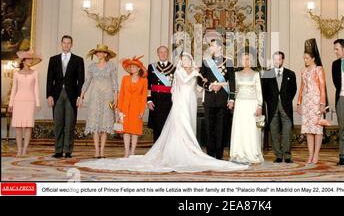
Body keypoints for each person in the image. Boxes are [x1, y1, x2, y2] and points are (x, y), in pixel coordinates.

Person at [75, 53, 248, 172]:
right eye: (185, 60)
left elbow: (197, 83)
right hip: (180, 103)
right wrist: (194, 72)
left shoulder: (192, 70)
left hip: (190, 101)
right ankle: (181, 150)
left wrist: (203, 79)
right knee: (182, 125)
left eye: (188, 60)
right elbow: (185, 80)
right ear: (182, 61)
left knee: (190, 125)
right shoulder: (179, 70)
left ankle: (191, 148)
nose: (187, 62)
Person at [46, 35, 85, 158]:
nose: (66, 45)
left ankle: (68, 150)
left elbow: (81, 80)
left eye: (69, 43)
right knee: (58, 123)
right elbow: (49, 79)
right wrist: (49, 95)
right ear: (61, 44)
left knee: (70, 123)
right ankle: (58, 150)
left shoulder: (78, 60)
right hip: (57, 95)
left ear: (71, 44)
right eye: (64, 43)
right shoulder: (53, 59)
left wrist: (80, 97)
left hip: (72, 95)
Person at [197, 39, 236, 160]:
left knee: (221, 128)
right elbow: (199, 79)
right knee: (209, 127)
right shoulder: (206, 62)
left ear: (220, 47)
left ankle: (219, 155)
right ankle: (210, 155)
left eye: (212, 45)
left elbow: (232, 81)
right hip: (209, 98)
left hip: (223, 98)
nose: (211, 48)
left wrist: (232, 99)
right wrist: (209, 86)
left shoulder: (228, 61)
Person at [78, 44, 118, 158]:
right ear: (96, 54)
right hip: (94, 97)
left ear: (106, 54)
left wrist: (116, 98)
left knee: (105, 124)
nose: (99, 54)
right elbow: (87, 82)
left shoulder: (111, 66)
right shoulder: (92, 67)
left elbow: (115, 82)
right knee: (95, 124)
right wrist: (81, 96)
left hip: (107, 97)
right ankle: (96, 151)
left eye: (102, 52)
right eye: (97, 52)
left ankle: (102, 151)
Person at [261, 51, 297, 163]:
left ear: (283, 60)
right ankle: (278, 155)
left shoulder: (291, 74)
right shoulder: (267, 74)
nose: (277, 62)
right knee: (274, 131)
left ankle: (287, 156)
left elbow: (293, 90)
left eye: (279, 59)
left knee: (287, 131)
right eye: (275, 59)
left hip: (286, 107)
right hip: (272, 107)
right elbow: (264, 91)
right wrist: (270, 101)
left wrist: (286, 99)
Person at [229, 51, 264, 164]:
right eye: (244, 59)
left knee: (251, 129)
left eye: (248, 59)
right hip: (240, 105)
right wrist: (231, 101)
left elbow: (259, 91)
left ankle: (252, 152)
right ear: (241, 61)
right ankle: (238, 152)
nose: (246, 61)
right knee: (240, 128)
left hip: (252, 104)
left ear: (252, 60)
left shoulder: (256, 74)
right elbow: (234, 90)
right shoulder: (236, 74)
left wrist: (259, 105)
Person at [296, 39, 327, 164]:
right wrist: (299, 103)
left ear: (313, 58)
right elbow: (301, 88)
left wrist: (322, 104)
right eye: (304, 58)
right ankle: (310, 155)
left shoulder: (319, 69)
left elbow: (322, 87)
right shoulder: (303, 71)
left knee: (317, 129)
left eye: (307, 58)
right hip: (307, 101)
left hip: (317, 101)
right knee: (308, 129)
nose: (305, 60)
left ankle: (316, 155)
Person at [8, 50, 42, 157]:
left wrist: (38, 103)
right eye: (28, 58)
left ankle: (24, 150)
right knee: (18, 127)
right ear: (23, 60)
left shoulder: (35, 73)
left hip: (30, 102)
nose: (30, 60)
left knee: (28, 126)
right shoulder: (16, 73)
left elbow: (36, 89)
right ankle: (19, 149)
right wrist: (10, 104)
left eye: (31, 58)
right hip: (18, 101)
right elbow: (14, 89)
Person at [117, 56, 148, 158]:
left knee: (135, 131)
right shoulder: (125, 79)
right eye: (130, 67)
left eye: (134, 67)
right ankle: (126, 152)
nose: (132, 69)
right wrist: (119, 109)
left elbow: (144, 97)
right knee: (125, 130)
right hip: (125, 107)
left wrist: (142, 110)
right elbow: (121, 94)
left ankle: (132, 152)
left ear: (139, 68)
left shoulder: (144, 81)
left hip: (137, 107)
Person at [147, 46, 176, 142]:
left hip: (168, 100)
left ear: (168, 54)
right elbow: (148, 85)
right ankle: (156, 149)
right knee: (156, 127)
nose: (163, 54)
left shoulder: (174, 68)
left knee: (167, 126)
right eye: (161, 52)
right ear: (158, 54)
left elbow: (176, 86)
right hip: (155, 99)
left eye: (165, 52)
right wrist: (149, 100)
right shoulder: (151, 67)